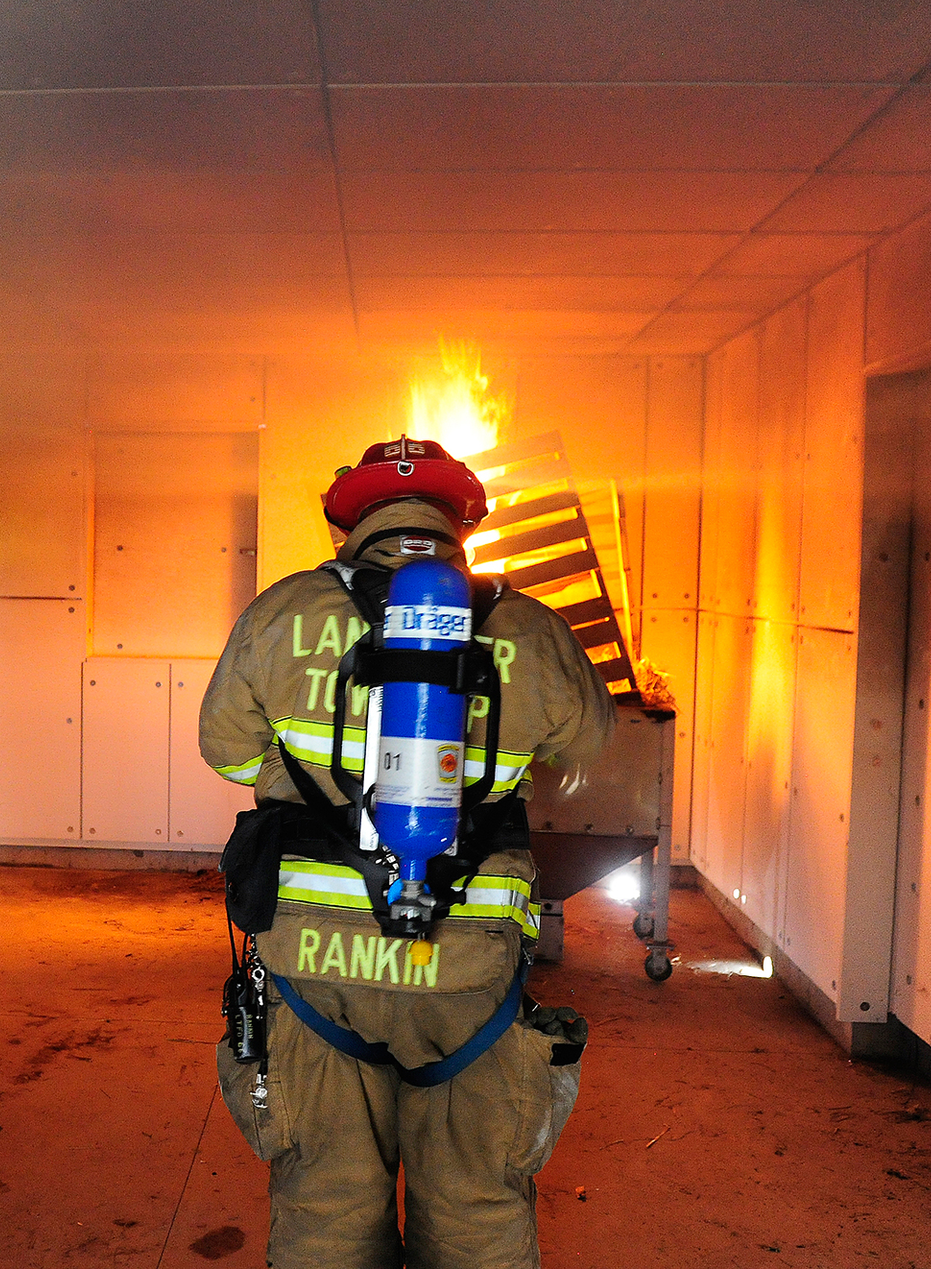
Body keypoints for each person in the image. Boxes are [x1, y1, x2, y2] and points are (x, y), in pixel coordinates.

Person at [201, 436, 613, 1269]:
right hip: (466, 974)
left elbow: (229, 754)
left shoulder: (280, 614)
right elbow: (584, 760)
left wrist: (306, 772)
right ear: (460, 521)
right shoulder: (531, 628)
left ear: (349, 521)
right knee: (475, 1206)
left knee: (323, 1198)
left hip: (316, 969)